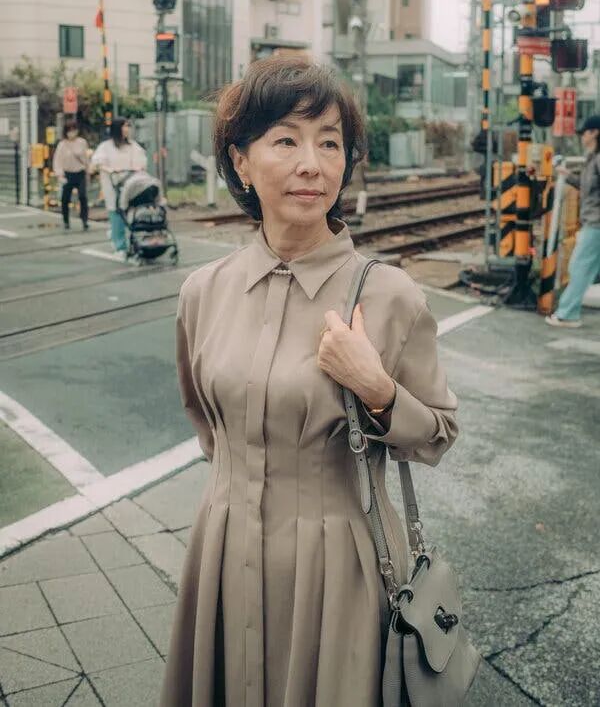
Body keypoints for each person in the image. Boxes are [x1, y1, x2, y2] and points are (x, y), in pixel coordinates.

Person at [160, 56, 458, 707]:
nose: (312, 164)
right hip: (224, 541)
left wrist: (377, 390)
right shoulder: (202, 292)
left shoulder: (390, 295)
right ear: (241, 161)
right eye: (287, 140)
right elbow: (206, 420)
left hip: (337, 564)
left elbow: (438, 433)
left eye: (330, 143)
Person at [546, 114, 600, 329]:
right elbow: (588, 189)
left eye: (584, 132)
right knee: (584, 268)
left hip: (596, 224)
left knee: (579, 267)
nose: (582, 137)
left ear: (594, 132)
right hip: (593, 222)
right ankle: (568, 311)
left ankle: (568, 314)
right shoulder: (592, 158)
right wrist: (566, 175)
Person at [90, 118, 147, 257]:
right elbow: (97, 161)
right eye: (124, 126)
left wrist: (138, 168)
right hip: (113, 185)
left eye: (128, 126)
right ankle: (119, 244)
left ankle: (127, 240)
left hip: (130, 185)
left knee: (130, 213)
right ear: (117, 128)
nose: (127, 129)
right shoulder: (106, 146)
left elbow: (142, 161)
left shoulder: (133, 146)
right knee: (116, 212)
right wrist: (108, 168)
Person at [52, 119, 90, 231]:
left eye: (74, 130)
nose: (72, 133)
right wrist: (60, 175)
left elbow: (86, 159)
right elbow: (57, 161)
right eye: (69, 130)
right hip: (68, 174)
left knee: (83, 196)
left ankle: (84, 220)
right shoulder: (62, 145)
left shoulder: (82, 142)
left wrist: (88, 171)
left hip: (80, 173)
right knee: (65, 198)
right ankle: (66, 221)